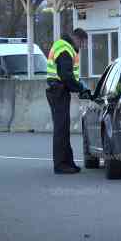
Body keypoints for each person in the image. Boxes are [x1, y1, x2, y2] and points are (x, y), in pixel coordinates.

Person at [46, 28, 92, 174]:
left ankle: (68, 162)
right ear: (77, 39)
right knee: (61, 129)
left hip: (58, 90)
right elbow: (66, 75)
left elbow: (68, 75)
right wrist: (80, 89)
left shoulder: (65, 46)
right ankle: (60, 165)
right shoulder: (65, 49)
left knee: (63, 128)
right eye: (82, 44)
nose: (82, 47)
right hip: (58, 90)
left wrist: (78, 86)